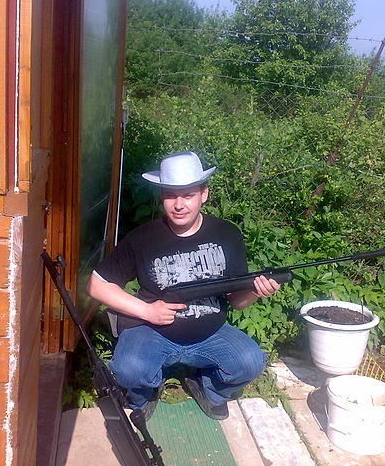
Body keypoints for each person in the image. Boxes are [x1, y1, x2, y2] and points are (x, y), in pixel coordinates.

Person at [86, 151, 280, 421]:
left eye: (188, 195)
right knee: (128, 370)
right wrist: (147, 311)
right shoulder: (143, 238)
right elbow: (97, 285)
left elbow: (237, 301)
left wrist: (255, 291)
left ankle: (208, 389)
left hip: (211, 332)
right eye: (171, 195)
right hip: (151, 332)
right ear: (162, 197)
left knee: (251, 362)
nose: (179, 205)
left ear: (204, 194)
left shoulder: (227, 234)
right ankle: (144, 395)